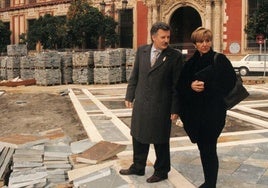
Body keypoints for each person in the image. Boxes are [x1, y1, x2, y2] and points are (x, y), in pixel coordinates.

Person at [119, 21, 183, 183]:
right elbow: (135, 75)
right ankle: (138, 167)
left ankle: (161, 171)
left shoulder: (174, 56)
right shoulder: (142, 51)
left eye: (168, 37)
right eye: (163, 37)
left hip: (162, 105)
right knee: (138, 135)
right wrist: (129, 95)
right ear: (153, 37)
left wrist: (175, 109)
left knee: (160, 139)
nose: (166, 40)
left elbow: (178, 85)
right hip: (141, 102)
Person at [177, 27, 237, 188]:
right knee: (203, 149)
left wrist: (207, 86)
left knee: (210, 148)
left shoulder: (220, 59)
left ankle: (210, 183)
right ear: (195, 44)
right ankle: (208, 181)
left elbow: (230, 83)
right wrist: (191, 85)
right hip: (196, 116)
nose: (205, 44)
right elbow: (180, 86)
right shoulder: (190, 63)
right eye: (200, 41)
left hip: (213, 114)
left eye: (207, 40)